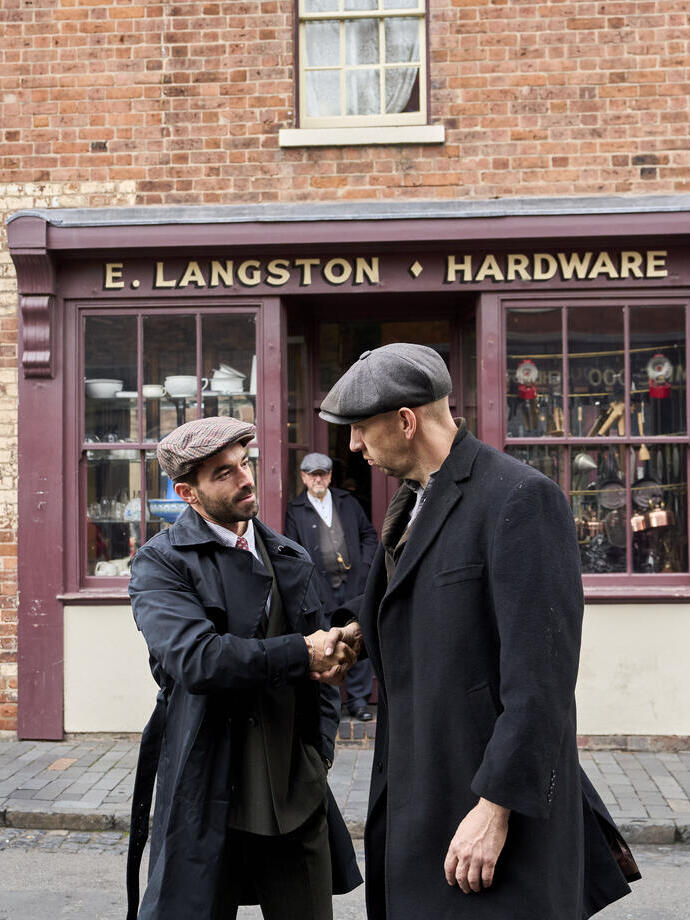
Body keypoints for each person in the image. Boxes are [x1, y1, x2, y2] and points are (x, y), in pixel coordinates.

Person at [317, 344, 640, 920]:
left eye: (361, 429)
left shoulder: (519, 498)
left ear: (406, 421)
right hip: (422, 795)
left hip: (490, 815)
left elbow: (541, 680)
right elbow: (437, 607)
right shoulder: (413, 501)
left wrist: (495, 807)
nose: (353, 446)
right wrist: (360, 634)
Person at [126, 416, 362, 920]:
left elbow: (322, 680)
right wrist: (301, 651)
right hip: (204, 784)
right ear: (188, 493)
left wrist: (317, 754)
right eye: (224, 473)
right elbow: (198, 659)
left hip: (292, 787)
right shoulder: (161, 564)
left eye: (245, 462)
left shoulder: (289, 557)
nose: (245, 478)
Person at [285, 452, 379, 722]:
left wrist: (364, 566)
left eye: (323, 474)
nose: (318, 479)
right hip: (319, 589)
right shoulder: (296, 510)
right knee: (326, 646)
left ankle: (359, 701)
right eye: (313, 474)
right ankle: (330, 704)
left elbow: (369, 535)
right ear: (303, 477)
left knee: (357, 639)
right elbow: (292, 551)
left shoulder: (347, 502)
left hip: (353, 585)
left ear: (330, 476)